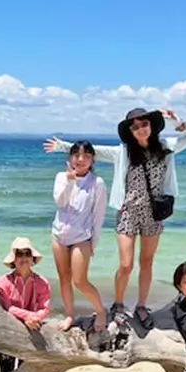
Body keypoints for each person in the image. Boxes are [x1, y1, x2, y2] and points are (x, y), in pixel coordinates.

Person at [44, 108, 186, 328]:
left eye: (144, 124)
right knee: (126, 265)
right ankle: (118, 304)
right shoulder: (123, 152)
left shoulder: (166, 147)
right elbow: (91, 152)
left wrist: (177, 121)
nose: (140, 129)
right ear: (130, 131)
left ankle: (141, 306)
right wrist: (62, 146)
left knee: (147, 262)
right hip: (128, 211)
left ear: (151, 125)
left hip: (154, 213)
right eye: (135, 127)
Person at [51, 141, 108, 332]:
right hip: (59, 234)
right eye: (76, 155)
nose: (81, 159)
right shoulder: (61, 177)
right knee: (64, 278)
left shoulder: (97, 183)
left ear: (92, 160)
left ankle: (100, 310)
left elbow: (99, 216)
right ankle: (69, 314)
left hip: (82, 237)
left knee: (79, 280)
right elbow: (60, 202)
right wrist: (69, 181)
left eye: (86, 156)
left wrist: (94, 243)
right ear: (70, 158)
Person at [0, 237, 51, 372]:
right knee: (6, 369)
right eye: (20, 254)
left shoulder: (42, 282)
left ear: (32, 258)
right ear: (14, 259)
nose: (24, 258)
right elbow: (7, 308)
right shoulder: (3, 282)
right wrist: (28, 316)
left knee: (26, 371)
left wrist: (36, 318)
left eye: (27, 254)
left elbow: (45, 308)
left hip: (32, 331)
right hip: (9, 331)